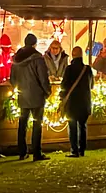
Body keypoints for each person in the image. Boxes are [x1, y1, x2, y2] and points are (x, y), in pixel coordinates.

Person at [10, 33, 51, 161]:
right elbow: (43, 78)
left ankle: (22, 152)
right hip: (37, 95)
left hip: (23, 95)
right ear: (35, 44)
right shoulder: (38, 58)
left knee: (23, 124)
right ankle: (36, 152)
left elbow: (13, 80)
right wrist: (47, 91)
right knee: (37, 124)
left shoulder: (16, 59)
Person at [60, 46, 93, 158]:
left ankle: (74, 150)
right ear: (81, 56)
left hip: (72, 103)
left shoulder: (69, 69)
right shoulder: (87, 69)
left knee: (72, 126)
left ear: (72, 56)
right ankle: (82, 149)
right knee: (82, 126)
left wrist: (62, 97)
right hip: (84, 102)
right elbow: (92, 85)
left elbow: (64, 85)